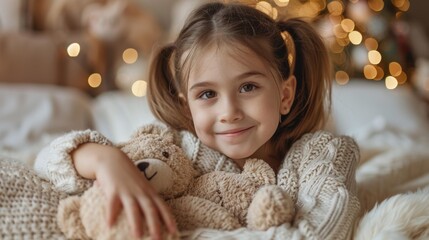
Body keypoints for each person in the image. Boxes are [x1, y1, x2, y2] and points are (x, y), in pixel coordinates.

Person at [34, 2, 360, 239]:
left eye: (248, 87)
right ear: (187, 106)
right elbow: (46, 162)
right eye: (207, 95)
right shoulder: (174, 148)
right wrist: (107, 161)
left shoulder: (324, 153)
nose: (228, 111)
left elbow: (318, 233)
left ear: (285, 94)